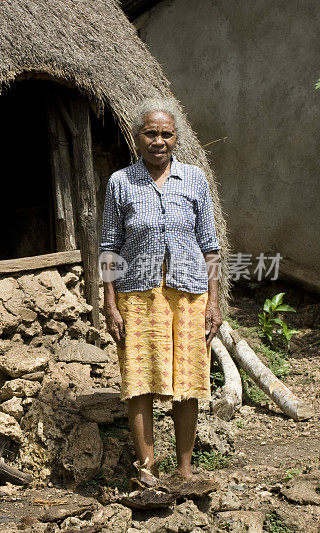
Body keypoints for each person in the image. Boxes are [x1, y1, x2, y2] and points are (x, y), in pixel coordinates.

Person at [99, 98, 222, 487]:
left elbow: (210, 246)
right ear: (137, 137)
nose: (159, 140)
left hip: (189, 293)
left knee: (187, 381)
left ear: (175, 138)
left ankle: (185, 470)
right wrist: (109, 301)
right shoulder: (121, 182)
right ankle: (147, 470)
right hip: (137, 295)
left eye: (166, 134)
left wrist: (214, 301)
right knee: (141, 380)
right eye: (151, 133)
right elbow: (108, 248)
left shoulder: (194, 180)